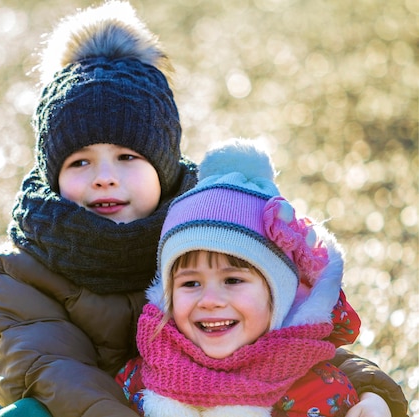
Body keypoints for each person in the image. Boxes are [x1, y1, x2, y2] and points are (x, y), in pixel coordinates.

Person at [0, 2, 408, 416]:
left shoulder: (209, 235)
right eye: (79, 162)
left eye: (127, 157)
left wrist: (370, 393)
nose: (104, 177)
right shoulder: (22, 274)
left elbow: (288, 342)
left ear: (163, 167)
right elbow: (50, 374)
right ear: (52, 174)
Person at [115, 138, 405, 417]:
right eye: (191, 283)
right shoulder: (144, 377)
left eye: (233, 280)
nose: (211, 300)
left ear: (277, 296)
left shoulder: (321, 394)